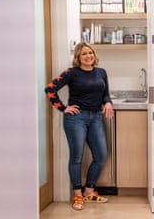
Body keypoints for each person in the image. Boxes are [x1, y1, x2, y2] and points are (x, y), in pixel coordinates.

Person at [45, 42, 114, 210]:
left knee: (101, 155)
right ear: (78, 57)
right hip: (77, 118)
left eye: (90, 52)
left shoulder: (101, 72)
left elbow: (105, 93)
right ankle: (77, 195)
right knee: (77, 157)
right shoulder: (71, 73)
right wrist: (63, 108)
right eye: (84, 54)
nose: (88, 56)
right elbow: (49, 89)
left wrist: (108, 103)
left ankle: (89, 192)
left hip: (96, 117)